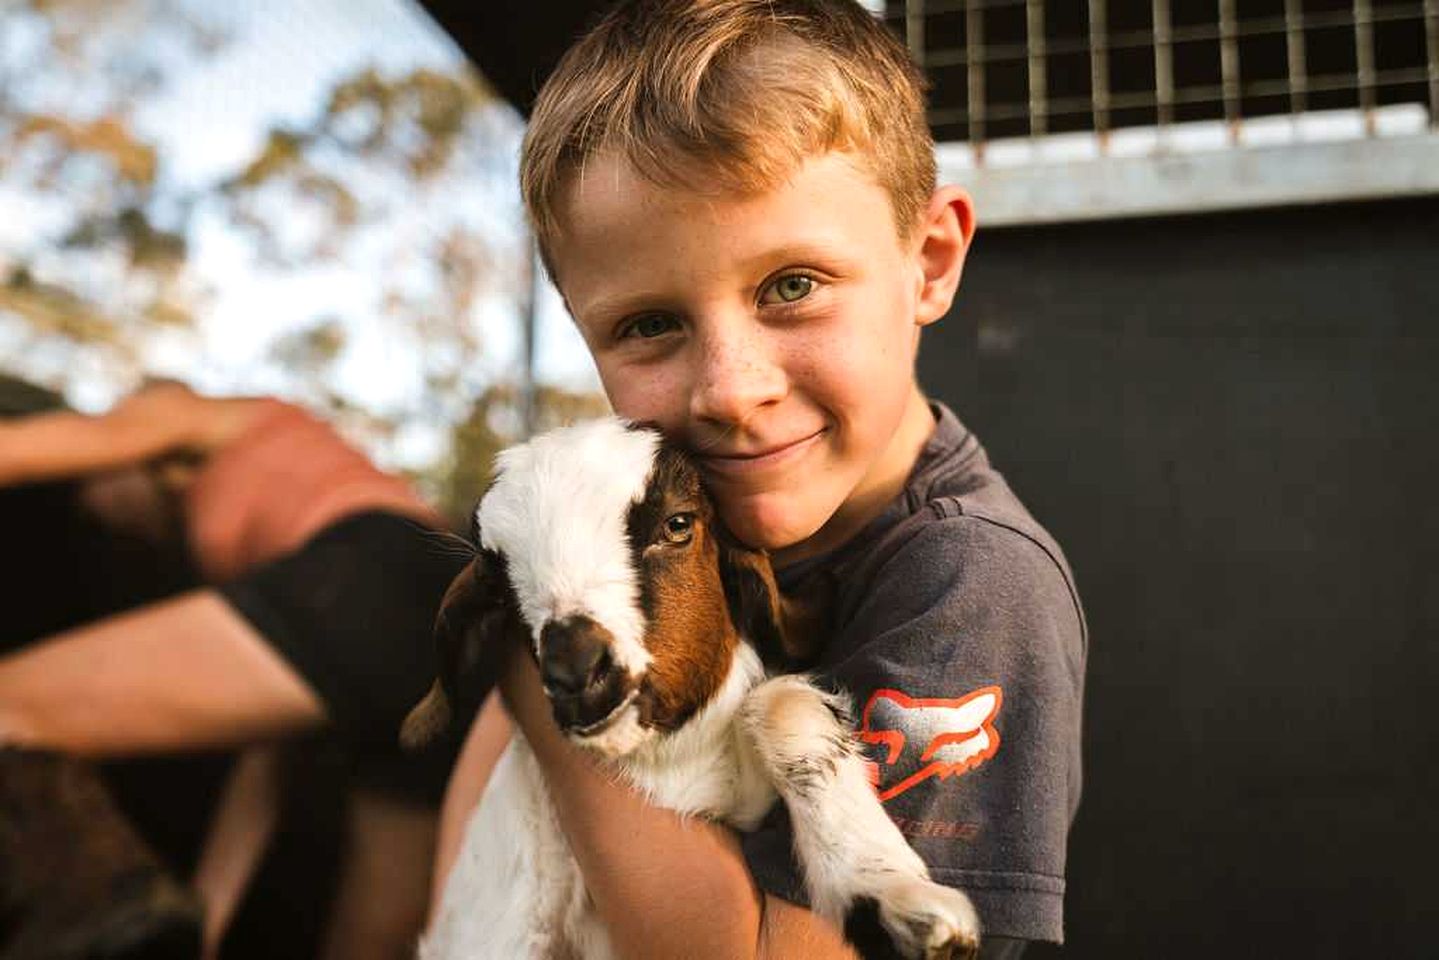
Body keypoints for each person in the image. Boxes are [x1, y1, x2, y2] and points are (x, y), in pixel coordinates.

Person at [429, 2, 1087, 958]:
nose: (731, 392)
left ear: (929, 262)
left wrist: (541, 673)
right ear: (582, 328)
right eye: (650, 324)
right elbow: (472, 873)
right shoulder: (625, 517)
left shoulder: (970, 587)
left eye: (792, 286)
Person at [0, 381, 474, 960]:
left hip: (370, 572)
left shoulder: (180, 409)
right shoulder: (275, 549)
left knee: (9, 706)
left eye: (91, 492)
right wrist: (206, 922)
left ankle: (86, 902)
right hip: (447, 642)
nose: (98, 510)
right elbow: (266, 762)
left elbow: (20, 450)